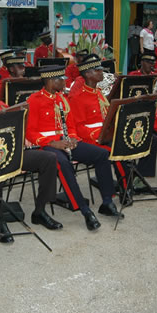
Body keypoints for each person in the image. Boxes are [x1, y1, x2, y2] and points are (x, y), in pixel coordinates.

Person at [27, 65, 123, 231]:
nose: (64, 82)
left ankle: (107, 201)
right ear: (50, 80)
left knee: (100, 154)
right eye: (60, 79)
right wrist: (52, 142)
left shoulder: (62, 99)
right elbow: (30, 132)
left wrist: (72, 138)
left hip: (66, 142)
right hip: (47, 146)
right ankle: (85, 211)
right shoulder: (34, 100)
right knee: (63, 164)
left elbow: (71, 125)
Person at [0, 73, 62, 239]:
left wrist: (23, 137)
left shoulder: (4, 106)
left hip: (13, 154)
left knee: (48, 159)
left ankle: (40, 211)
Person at [70, 54, 157, 195]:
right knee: (118, 148)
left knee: (149, 138)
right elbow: (78, 127)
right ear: (88, 74)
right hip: (93, 138)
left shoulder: (98, 93)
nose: (102, 73)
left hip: (107, 132)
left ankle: (137, 181)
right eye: (98, 70)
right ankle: (126, 188)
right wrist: (100, 135)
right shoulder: (77, 97)